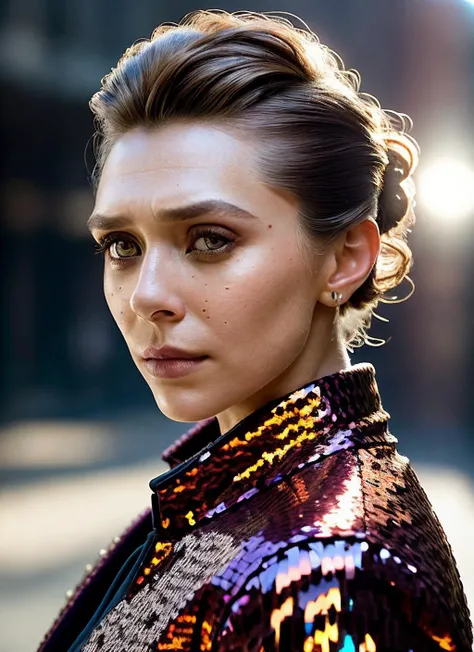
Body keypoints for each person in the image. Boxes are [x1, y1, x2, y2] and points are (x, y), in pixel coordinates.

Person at [38, 9, 472, 652]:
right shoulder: (226, 490)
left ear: (346, 256)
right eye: (123, 245)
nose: (148, 296)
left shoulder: (330, 581)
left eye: (210, 239)